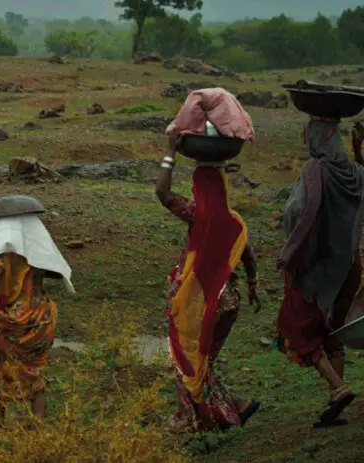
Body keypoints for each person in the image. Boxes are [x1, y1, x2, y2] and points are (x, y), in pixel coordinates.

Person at [155, 133, 261, 432]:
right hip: (228, 302)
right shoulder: (235, 221)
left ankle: (196, 421)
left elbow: (162, 193)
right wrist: (253, 286)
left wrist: (170, 153)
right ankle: (234, 407)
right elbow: (249, 256)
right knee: (204, 361)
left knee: (186, 360)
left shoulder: (196, 214)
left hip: (198, 302)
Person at [277, 119, 364, 427]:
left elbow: (297, 209)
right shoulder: (353, 172)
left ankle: (339, 388)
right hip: (349, 267)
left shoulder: (315, 170)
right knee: (333, 329)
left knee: (295, 327)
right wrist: (358, 149)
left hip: (318, 268)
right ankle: (335, 403)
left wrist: (292, 249)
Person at [0, 202, 74, 432]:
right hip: (39, 321)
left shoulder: (0, 259)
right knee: (35, 374)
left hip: (10, 324)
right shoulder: (36, 251)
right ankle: (39, 428)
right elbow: (53, 271)